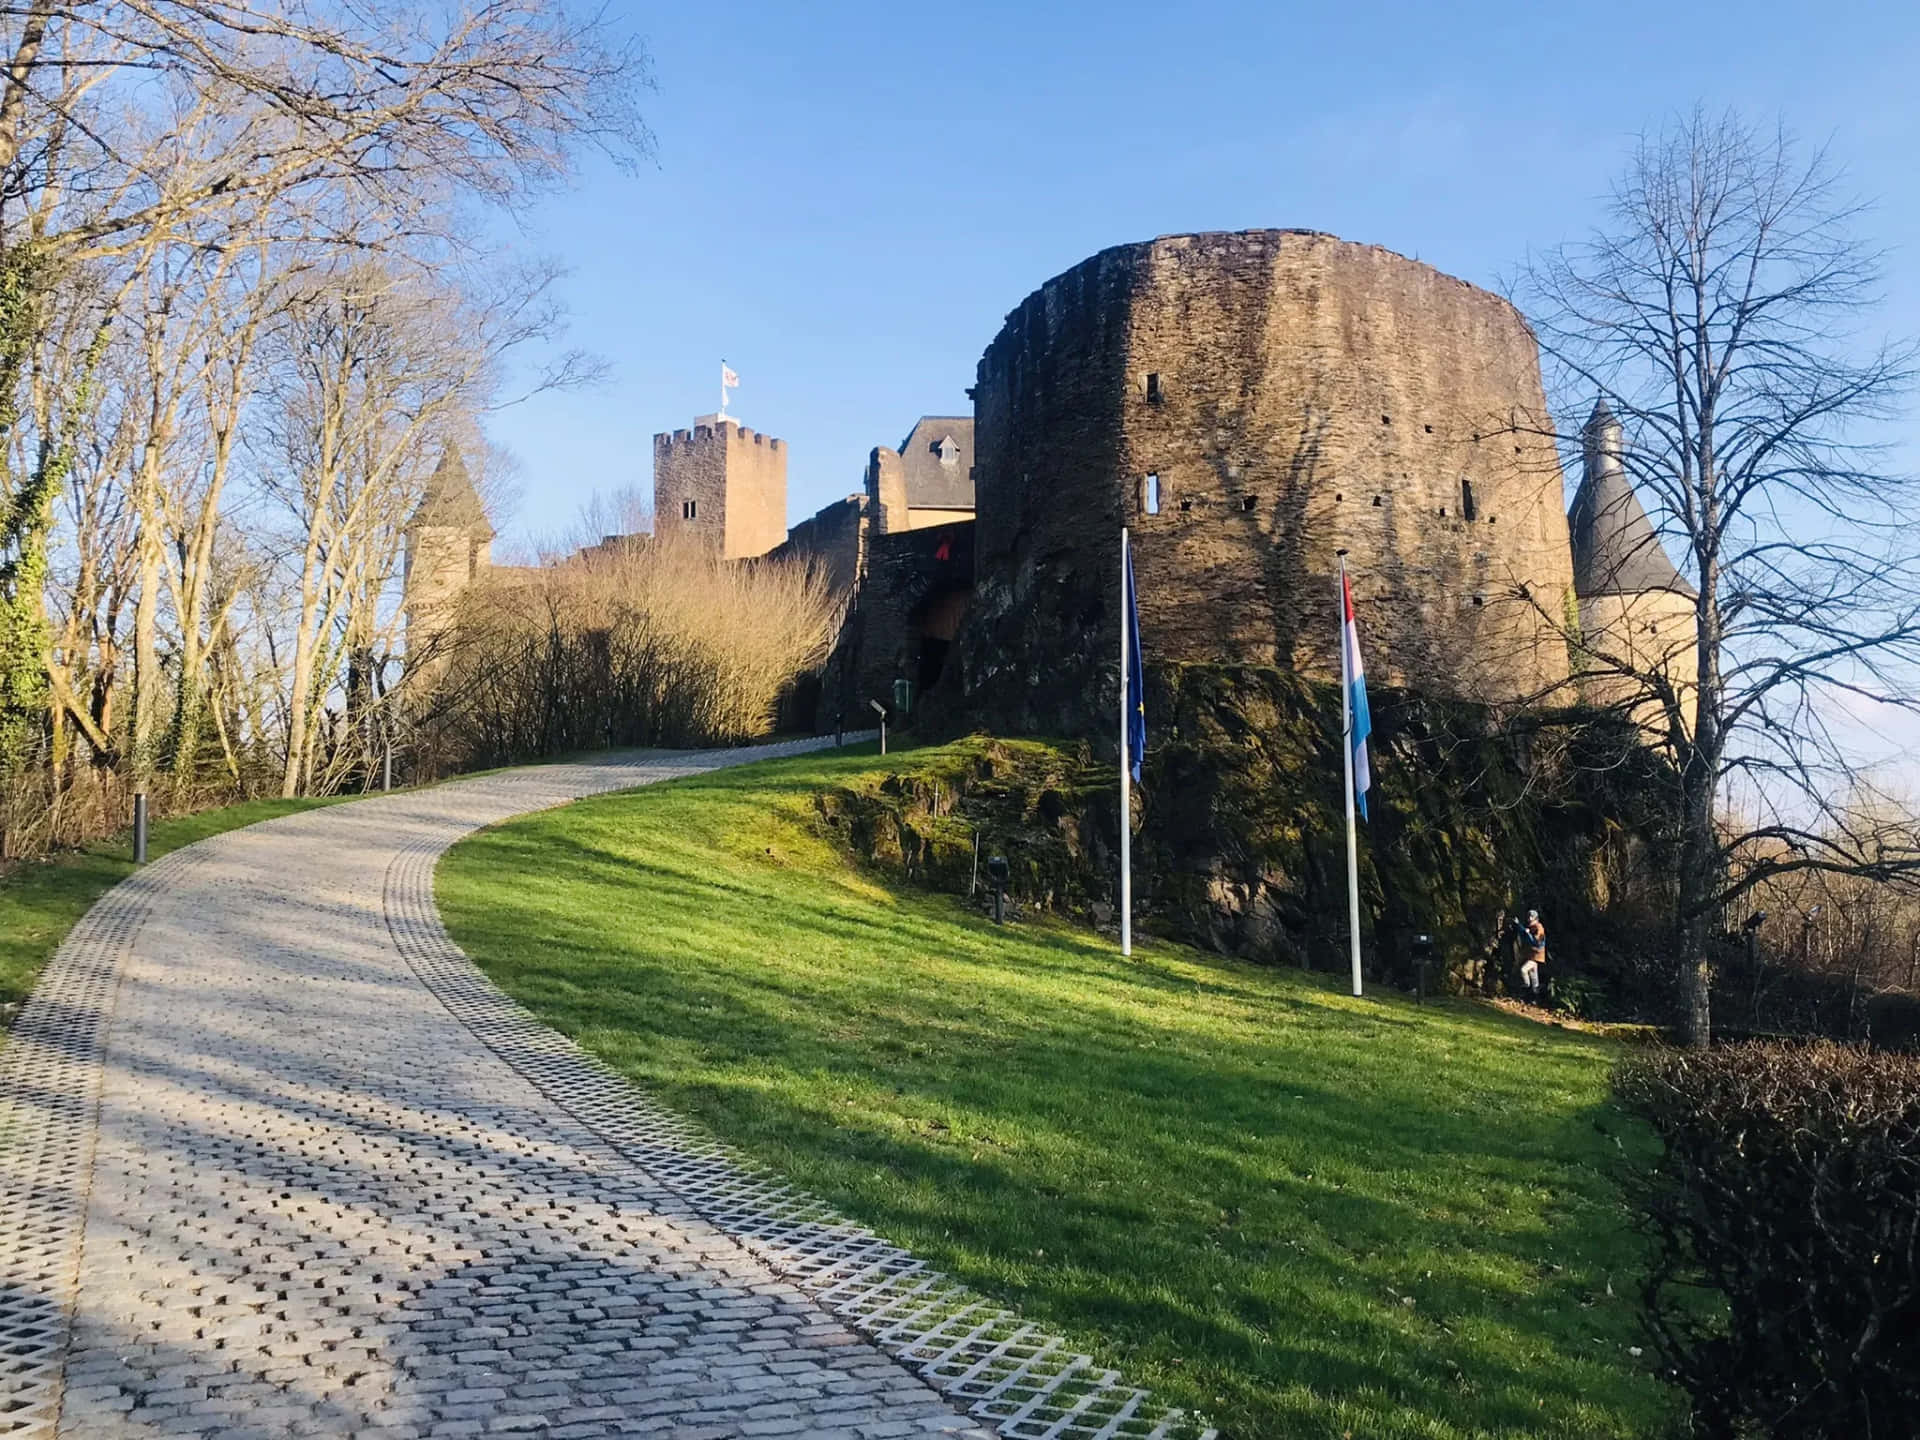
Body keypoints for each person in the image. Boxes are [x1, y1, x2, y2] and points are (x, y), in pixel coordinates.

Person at [1519, 909, 1548, 1001]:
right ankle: (1535, 998)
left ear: (1536, 918)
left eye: (1532, 917)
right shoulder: (1531, 927)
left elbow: (1537, 941)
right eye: (1529, 917)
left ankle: (1526, 985)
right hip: (1531, 955)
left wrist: (1527, 934)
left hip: (1536, 955)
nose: (1529, 919)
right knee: (1535, 980)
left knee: (1523, 970)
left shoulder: (1539, 927)